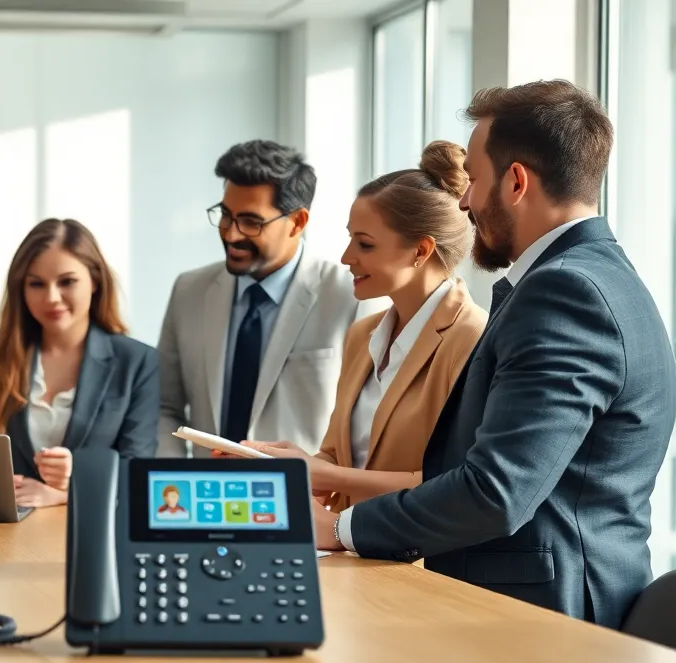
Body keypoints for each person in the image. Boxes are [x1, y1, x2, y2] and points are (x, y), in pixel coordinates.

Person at [315, 80, 676, 630]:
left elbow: (496, 491)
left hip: (551, 621)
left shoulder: (566, 293)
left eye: (474, 181)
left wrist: (339, 530)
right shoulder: (597, 277)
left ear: (515, 181)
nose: (462, 202)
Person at [242, 141, 487, 513]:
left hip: (421, 565)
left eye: (365, 244)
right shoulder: (363, 335)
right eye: (350, 238)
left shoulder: (472, 338)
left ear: (421, 251)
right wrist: (284, 467)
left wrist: (325, 476)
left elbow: (456, 483)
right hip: (351, 554)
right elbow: (338, 456)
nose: (346, 257)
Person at [157, 140, 379, 459]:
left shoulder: (351, 297)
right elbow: (165, 406)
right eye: (225, 215)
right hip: (204, 494)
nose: (231, 234)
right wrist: (174, 478)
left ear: (298, 222)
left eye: (250, 222)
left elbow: (364, 423)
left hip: (304, 497)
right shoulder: (188, 290)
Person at [0, 219, 158, 508]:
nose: (51, 297)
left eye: (67, 282)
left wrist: (68, 491)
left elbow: (136, 473)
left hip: (89, 529)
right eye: (36, 284)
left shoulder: (137, 362)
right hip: (2, 528)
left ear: (95, 281)